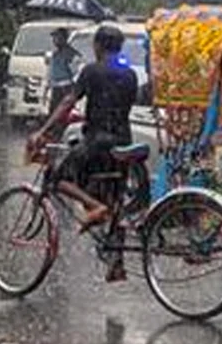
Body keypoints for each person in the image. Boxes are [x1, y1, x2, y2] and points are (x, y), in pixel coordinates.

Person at [28, 24, 140, 281]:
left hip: (97, 141)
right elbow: (117, 106)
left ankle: (93, 206)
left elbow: (68, 101)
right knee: (115, 203)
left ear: (98, 46)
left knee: (58, 178)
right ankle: (116, 264)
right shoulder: (131, 75)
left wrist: (44, 130)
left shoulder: (91, 71)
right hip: (124, 143)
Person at [44, 28, 82, 118]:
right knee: (53, 113)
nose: (54, 40)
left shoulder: (71, 54)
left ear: (64, 38)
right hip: (55, 87)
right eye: (54, 38)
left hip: (65, 88)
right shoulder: (55, 54)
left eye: (57, 37)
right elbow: (51, 71)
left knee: (64, 114)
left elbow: (76, 73)